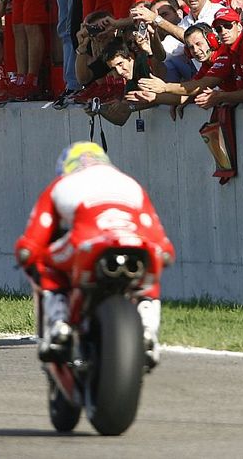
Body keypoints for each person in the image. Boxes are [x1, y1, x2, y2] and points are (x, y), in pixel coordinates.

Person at [14, 141, 175, 366]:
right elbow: (158, 236)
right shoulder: (129, 182)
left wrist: (26, 253)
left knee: (45, 263)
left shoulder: (62, 183)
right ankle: (148, 330)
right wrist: (163, 253)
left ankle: (60, 324)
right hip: (137, 243)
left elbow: (34, 237)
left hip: (87, 241)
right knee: (147, 283)